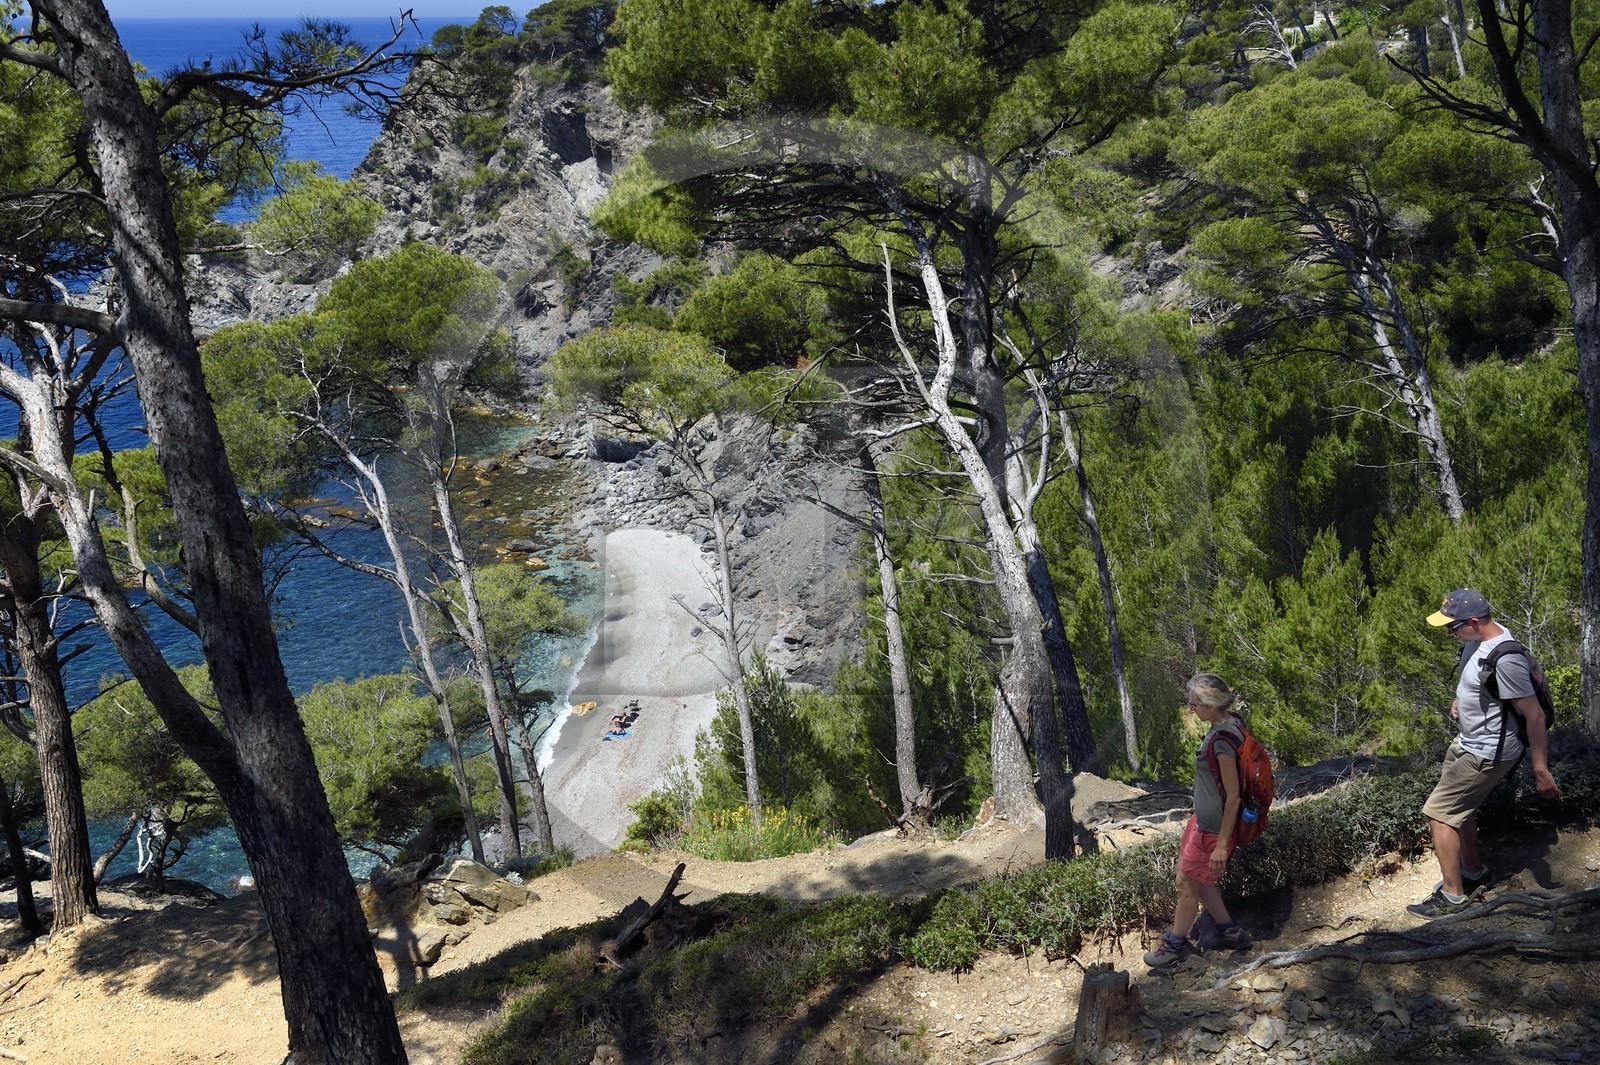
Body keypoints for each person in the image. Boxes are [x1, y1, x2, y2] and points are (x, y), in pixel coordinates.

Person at [1409, 588, 1562, 917]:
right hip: (1468, 741)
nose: (1449, 633)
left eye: (1453, 627)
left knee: (1439, 815)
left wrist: (1540, 770)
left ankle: (1452, 897)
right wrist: (1460, 700)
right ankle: (1474, 871)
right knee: (1459, 809)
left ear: (1475, 622)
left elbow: (1534, 716)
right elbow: (1478, 683)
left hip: (1487, 751)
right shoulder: (1475, 641)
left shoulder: (1506, 660)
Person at [1144, 673, 1254, 968]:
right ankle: (1229, 932)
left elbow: (1233, 796)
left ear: (1210, 706)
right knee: (1196, 879)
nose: (1191, 710)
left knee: (1185, 884)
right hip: (1203, 822)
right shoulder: (1231, 723)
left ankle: (1175, 946)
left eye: (1194, 705)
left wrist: (1222, 845)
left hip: (1213, 829)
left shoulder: (1222, 741)